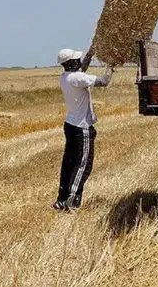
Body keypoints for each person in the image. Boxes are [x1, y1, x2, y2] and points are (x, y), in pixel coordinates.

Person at [53, 48, 114, 211]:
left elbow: (81, 69)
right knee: (83, 165)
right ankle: (72, 202)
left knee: (69, 163)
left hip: (70, 125)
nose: (79, 61)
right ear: (71, 62)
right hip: (82, 128)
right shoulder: (78, 78)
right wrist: (111, 67)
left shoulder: (65, 77)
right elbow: (104, 82)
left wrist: (90, 54)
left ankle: (61, 199)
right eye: (77, 59)